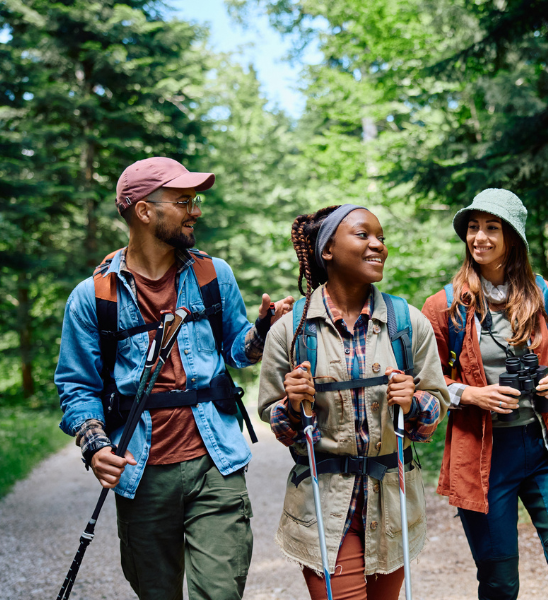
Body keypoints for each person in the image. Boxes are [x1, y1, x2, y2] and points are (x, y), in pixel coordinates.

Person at [55, 157, 294, 600]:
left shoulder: (212, 274)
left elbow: (236, 349)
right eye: (183, 201)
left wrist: (263, 329)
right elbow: (76, 386)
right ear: (145, 211)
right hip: (141, 473)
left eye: (195, 200)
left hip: (216, 462)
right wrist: (96, 447)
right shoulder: (93, 297)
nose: (195, 211)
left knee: (219, 593)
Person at [258, 204, 449, 600]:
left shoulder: (406, 322)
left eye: (381, 237)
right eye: (363, 235)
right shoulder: (291, 331)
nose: (378, 245)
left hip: (392, 501)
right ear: (327, 250)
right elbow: (279, 425)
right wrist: (292, 405)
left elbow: (434, 409)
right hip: (322, 503)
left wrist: (413, 403)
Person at [421, 189, 548, 600]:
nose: (479, 237)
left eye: (492, 228)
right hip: (483, 456)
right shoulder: (444, 306)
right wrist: (472, 395)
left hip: (544, 450)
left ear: (513, 237)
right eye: (473, 227)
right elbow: (427, 381)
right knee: (500, 586)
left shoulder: (542, 294)